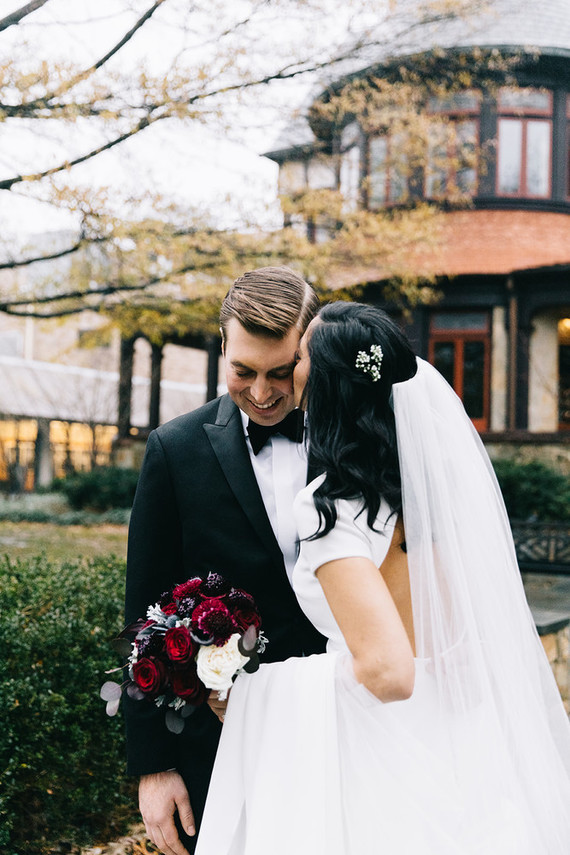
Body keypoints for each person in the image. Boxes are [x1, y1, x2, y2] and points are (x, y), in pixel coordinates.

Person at [196, 301, 570, 855]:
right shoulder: (429, 497)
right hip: (458, 742)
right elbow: (458, 651)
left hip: (377, 756)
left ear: (324, 380)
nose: (286, 366)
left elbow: (390, 674)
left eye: (298, 356)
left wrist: (255, 688)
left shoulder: (330, 510)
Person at [124, 266, 326, 855]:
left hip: (339, 726)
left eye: (281, 373)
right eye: (243, 371)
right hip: (217, 741)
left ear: (309, 354)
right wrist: (153, 767)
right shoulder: (174, 450)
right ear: (222, 350)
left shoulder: (356, 443)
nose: (262, 393)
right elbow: (145, 612)